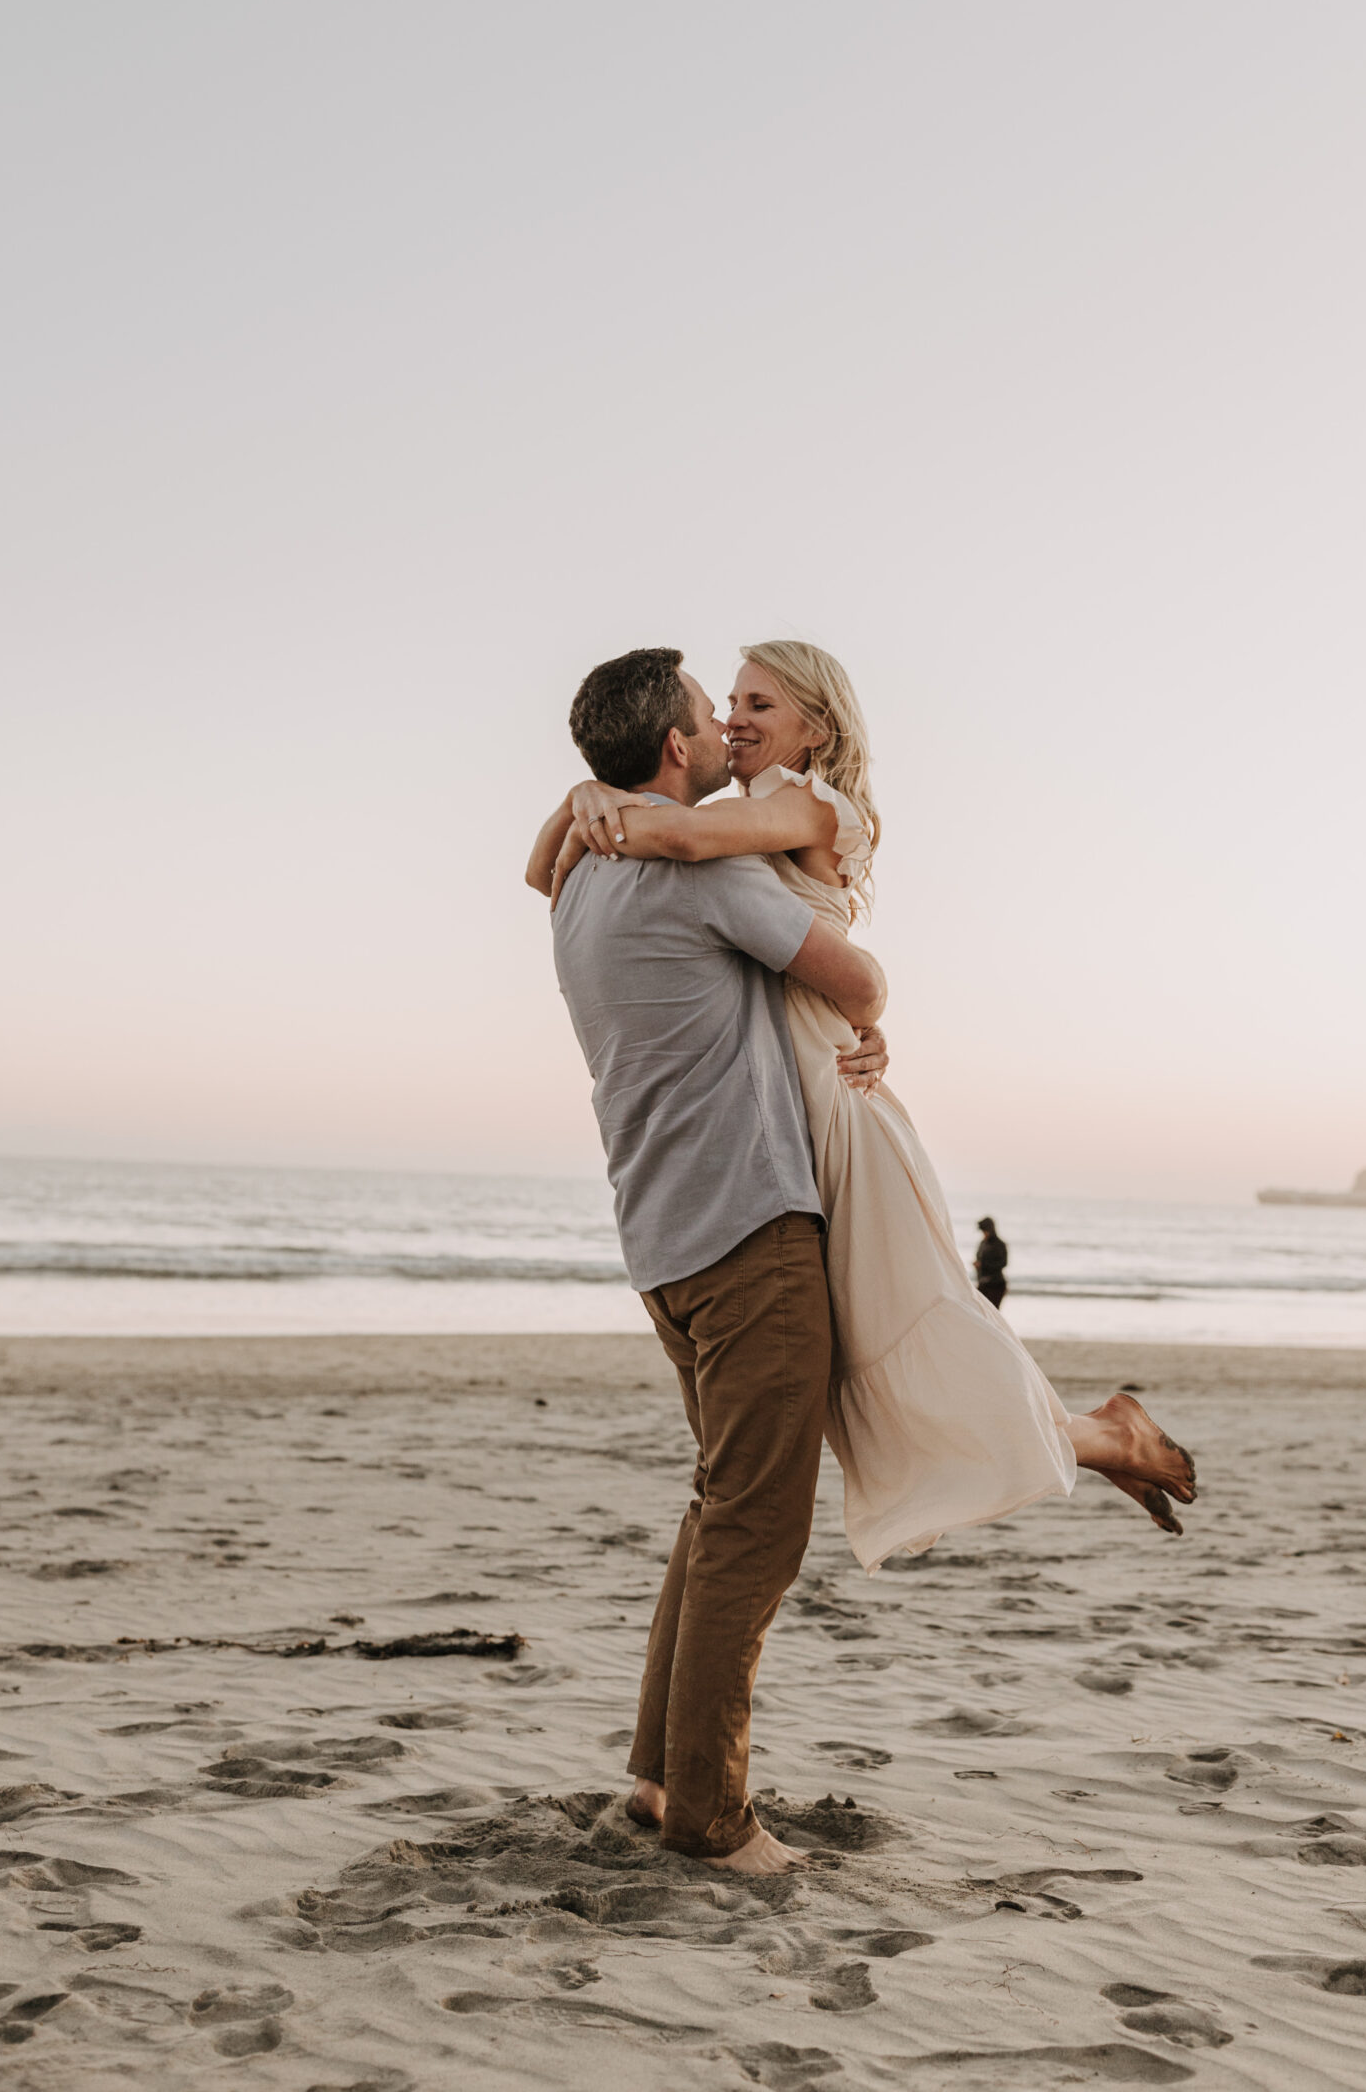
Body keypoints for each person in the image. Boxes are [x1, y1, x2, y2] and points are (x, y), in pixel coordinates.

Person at [536, 638, 1196, 1573]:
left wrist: (596, 801)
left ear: (817, 727)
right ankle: (1096, 1437)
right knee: (860, 1347)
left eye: (761, 704)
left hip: (824, 1088)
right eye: (728, 700)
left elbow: (681, 842)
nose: (734, 717)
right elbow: (597, 853)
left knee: (906, 1313)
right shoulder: (741, 810)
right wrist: (586, 798)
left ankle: (1097, 1437)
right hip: (788, 1090)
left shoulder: (801, 806)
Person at [530, 649, 889, 1876]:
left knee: (714, 1505)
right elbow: (851, 976)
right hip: (749, 1230)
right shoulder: (697, 872)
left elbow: (546, 856)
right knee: (755, 1527)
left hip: (661, 1241)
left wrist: (584, 803)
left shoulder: (580, 879)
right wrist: (872, 1021)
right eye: (710, 711)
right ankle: (711, 1814)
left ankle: (655, 1774)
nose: (726, 725)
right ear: (678, 752)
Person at [974, 1215, 1009, 1310]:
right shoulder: (982, 1244)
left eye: (985, 1231)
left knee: (992, 1312)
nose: (984, 1233)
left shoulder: (1000, 1244)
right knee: (979, 1310)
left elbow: (1003, 1263)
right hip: (983, 1283)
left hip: (996, 1284)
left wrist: (983, 1265)